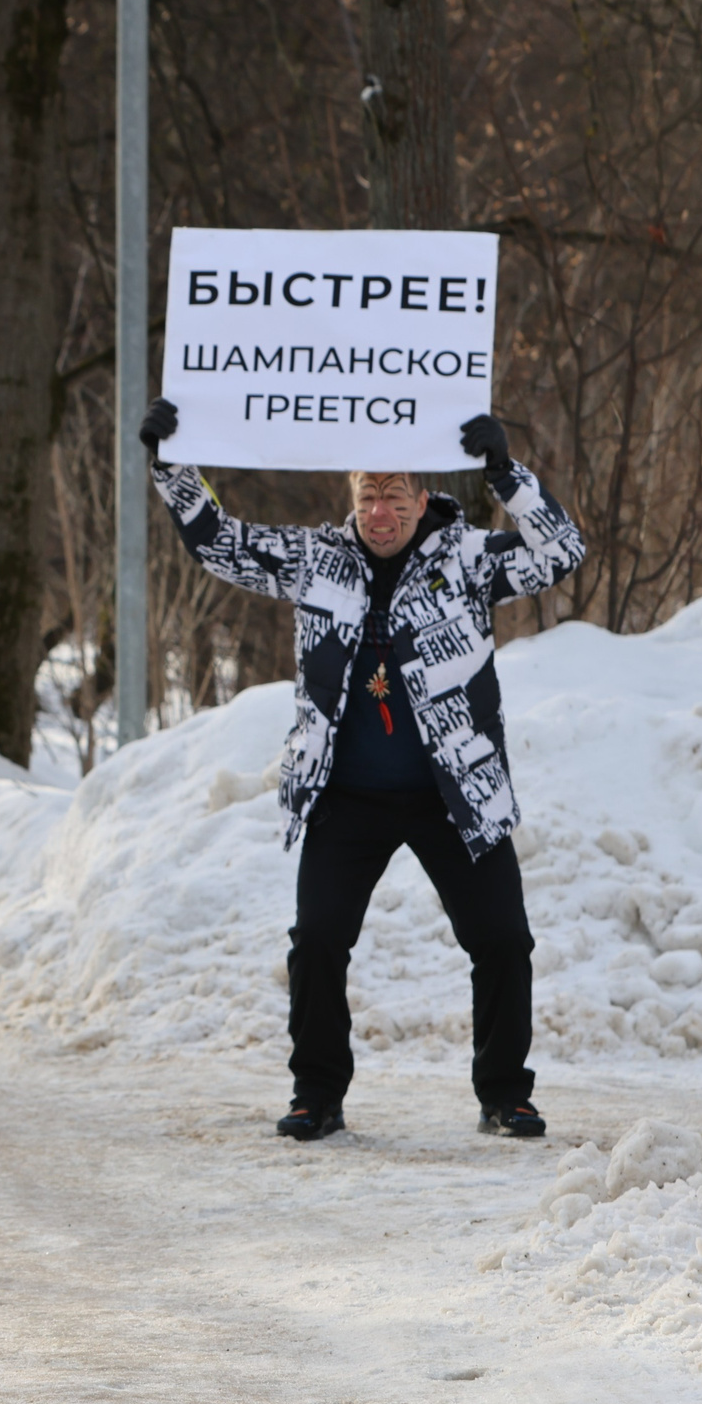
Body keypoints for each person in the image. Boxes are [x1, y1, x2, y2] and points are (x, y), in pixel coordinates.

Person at [139, 397, 585, 1142]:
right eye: (368, 495)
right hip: (345, 796)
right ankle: (317, 1092)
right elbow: (220, 544)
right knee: (316, 940)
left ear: (422, 496)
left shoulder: (467, 559)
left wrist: (507, 473)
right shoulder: (318, 559)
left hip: (454, 791)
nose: (382, 512)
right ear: (353, 497)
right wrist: (170, 465)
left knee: (503, 939)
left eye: (396, 496)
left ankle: (505, 1093)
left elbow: (561, 553)